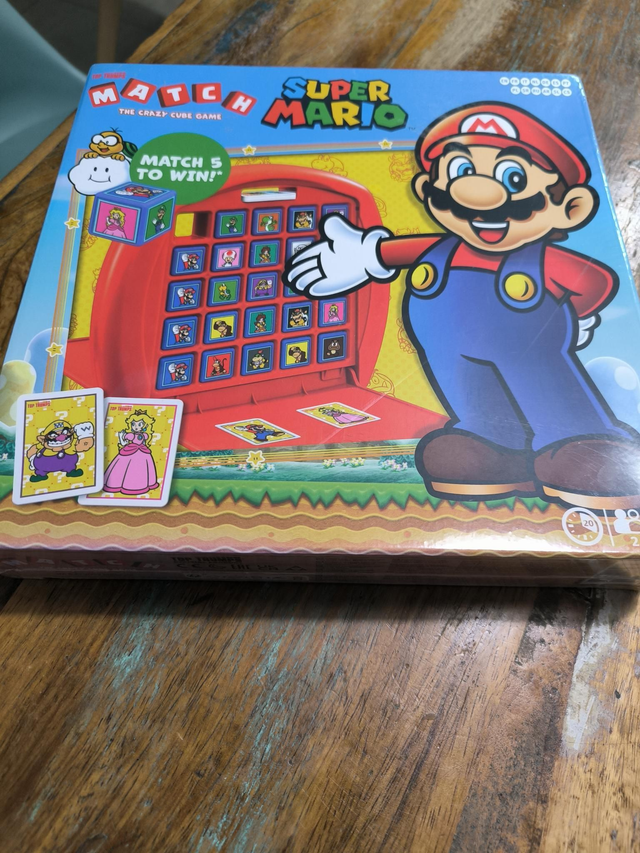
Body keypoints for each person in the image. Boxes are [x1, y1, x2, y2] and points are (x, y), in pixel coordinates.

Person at [285, 102, 640, 508]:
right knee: (472, 395)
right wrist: (366, 254)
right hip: (451, 350)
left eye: (512, 177)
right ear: (427, 191)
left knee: (546, 391)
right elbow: (402, 250)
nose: (476, 193)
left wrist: (579, 316)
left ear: (571, 207)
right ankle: (493, 446)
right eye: (460, 171)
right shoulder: (441, 250)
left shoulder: (542, 260)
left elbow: (596, 281)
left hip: (528, 345)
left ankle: (579, 441)